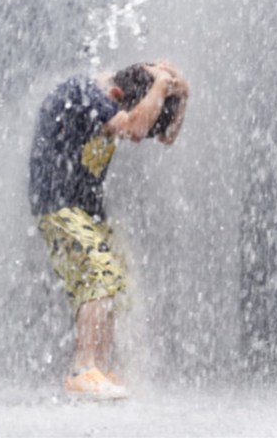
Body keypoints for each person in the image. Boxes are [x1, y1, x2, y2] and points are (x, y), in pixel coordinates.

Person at [29, 60, 188, 399]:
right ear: (117, 94)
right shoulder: (83, 92)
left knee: (118, 278)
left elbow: (166, 137)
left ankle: (100, 368)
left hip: (86, 214)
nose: (134, 140)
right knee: (98, 273)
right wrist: (159, 85)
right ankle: (82, 367)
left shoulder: (114, 98)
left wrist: (182, 96)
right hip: (58, 208)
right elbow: (133, 127)